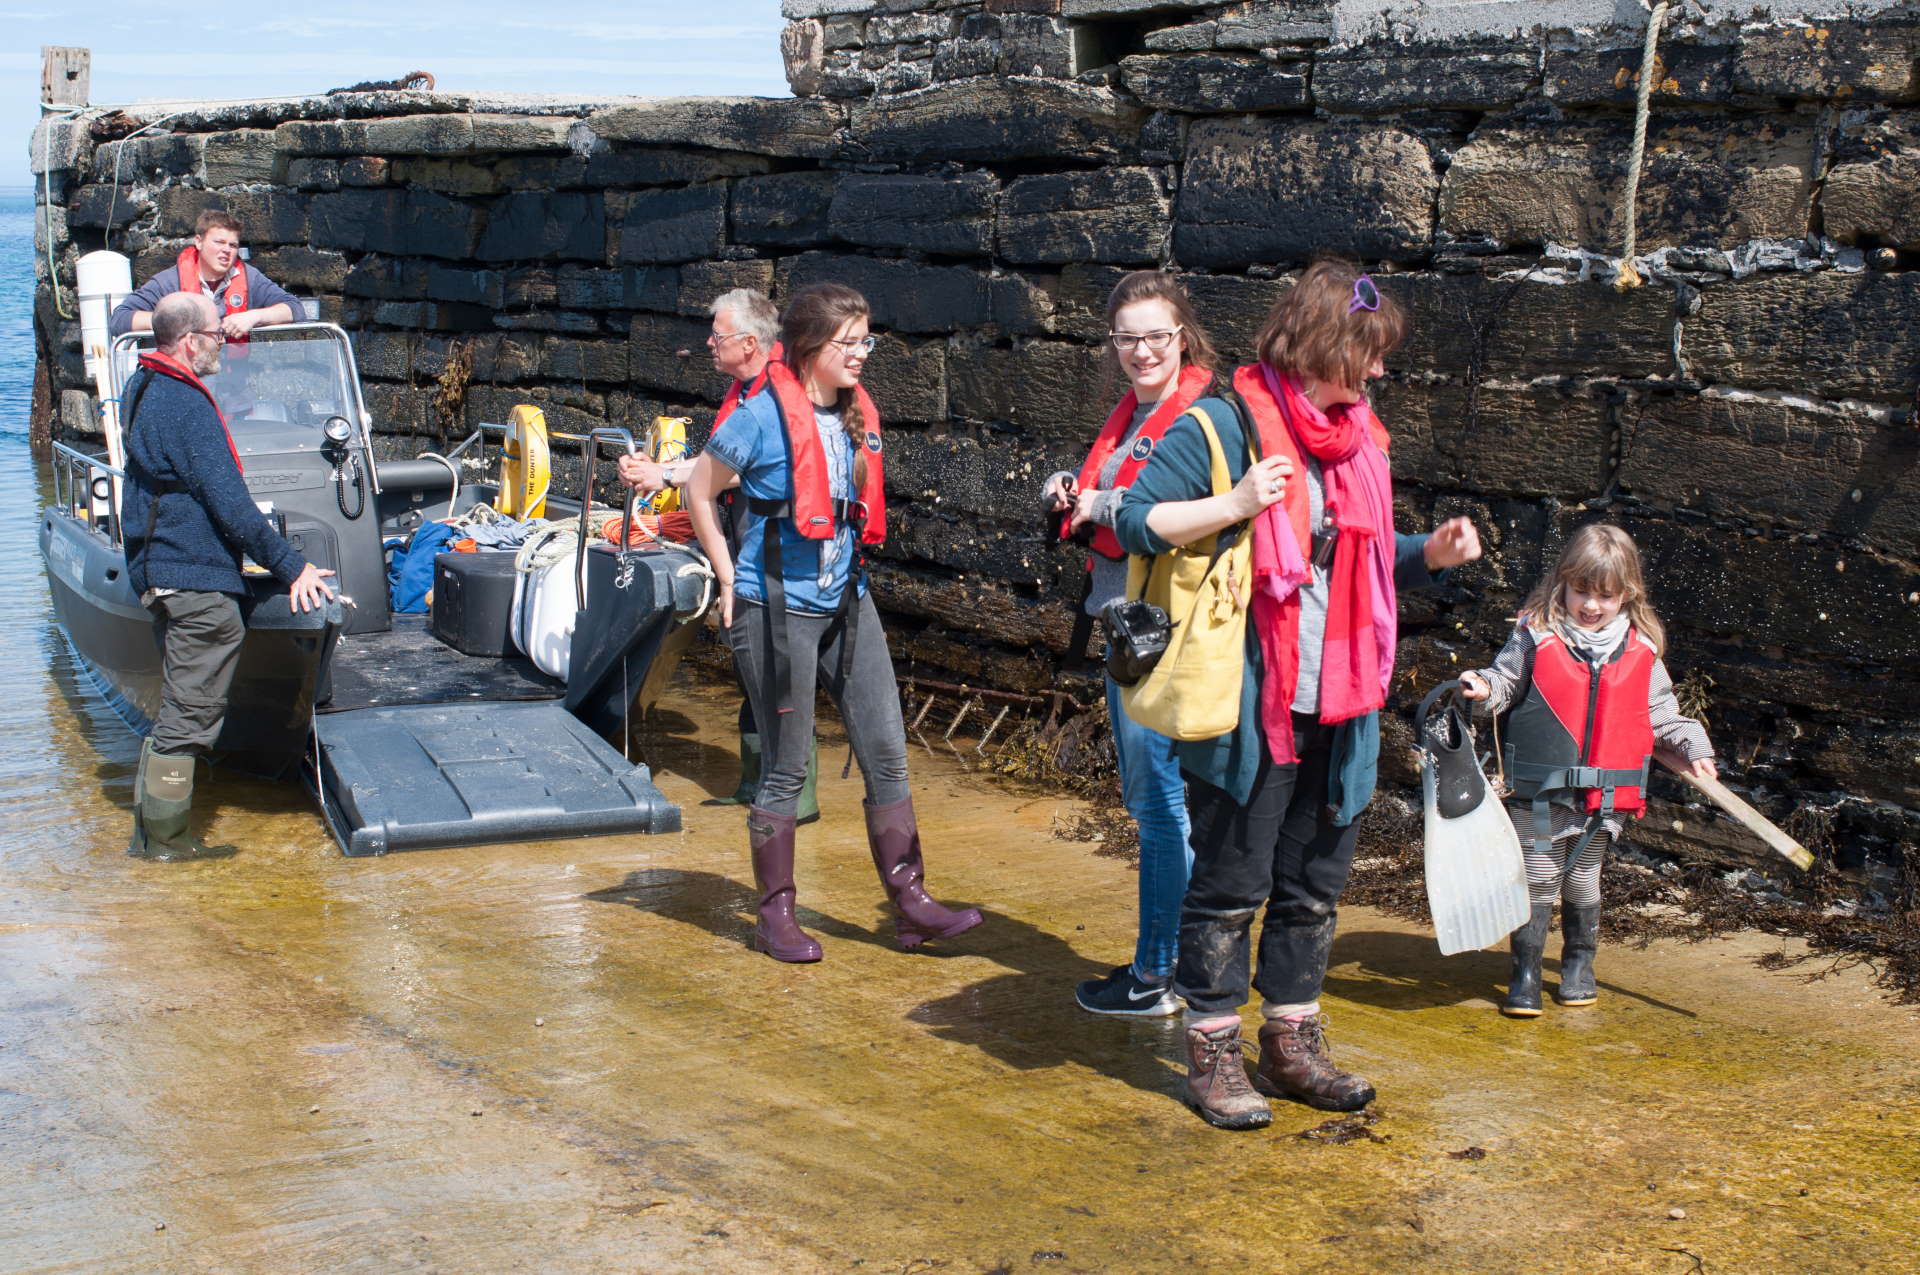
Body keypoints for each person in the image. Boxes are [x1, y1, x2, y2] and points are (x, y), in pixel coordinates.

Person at [1115, 260, 1483, 1130]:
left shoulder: (1359, 439)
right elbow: (1134, 519)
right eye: (1368, 353)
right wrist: (1235, 501)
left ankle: (1290, 1044)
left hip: (1343, 695)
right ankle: (1211, 1051)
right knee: (1231, 883)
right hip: (1252, 699)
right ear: (1321, 345)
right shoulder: (1223, 423)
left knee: (1315, 882)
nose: (1379, 372)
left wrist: (1428, 551)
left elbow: (1355, 550)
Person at [685, 282, 981, 963]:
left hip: (847, 603)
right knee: (787, 768)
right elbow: (699, 490)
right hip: (774, 608)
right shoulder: (759, 417)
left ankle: (911, 905)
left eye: (866, 341)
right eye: (849, 344)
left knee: (886, 751)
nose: (862, 356)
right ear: (812, 348)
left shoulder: (852, 411)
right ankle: (775, 916)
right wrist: (729, 577)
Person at [1042, 271, 1214, 1017]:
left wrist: (1095, 504)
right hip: (1131, 627)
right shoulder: (1140, 413)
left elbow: (1176, 512)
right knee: (1173, 805)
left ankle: (1157, 973)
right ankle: (1176, 962)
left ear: (1182, 336)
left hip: (1158, 636)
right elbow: (1117, 490)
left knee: (1159, 807)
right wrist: (1067, 490)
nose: (1141, 351)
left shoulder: (1193, 418)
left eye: (1156, 336)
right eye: (1127, 338)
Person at [1459, 523, 1716, 1017]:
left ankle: (1578, 963)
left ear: (1627, 594)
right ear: (1563, 584)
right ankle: (1526, 973)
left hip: (1603, 799)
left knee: (1582, 881)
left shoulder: (1642, 652)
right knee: (1537, 878)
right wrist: (1482, 689)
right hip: (1539, 793)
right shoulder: (1534, 637)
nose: (1591, 606)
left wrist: (1693, 746)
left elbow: (1662, 715)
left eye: (1605, 595)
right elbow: (1504, 681)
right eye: (1581, 592)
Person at [119, 292, 336, 860]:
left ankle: (149, 839)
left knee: (175, 707)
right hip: (190, 577)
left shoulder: (142, 386)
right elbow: (233, 507)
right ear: (190, 341)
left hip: (156, 564)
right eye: (217, 335)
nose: (224, 343)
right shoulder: (185, 405)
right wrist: (293, 566)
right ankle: (166, 845)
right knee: (188, 713)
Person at [619, 288, 818, 821]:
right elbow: (720, 465)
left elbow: (729, 472)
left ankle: (791, 799)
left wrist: (664, 475)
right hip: (755, 551)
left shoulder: (774, 398)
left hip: (776, 559)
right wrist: (660, 473)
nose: (708, 342)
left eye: (719, 335)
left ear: (750, 344)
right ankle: (761, 785)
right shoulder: (752, 391)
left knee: (778, 672)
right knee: (757, 672)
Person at [110, 209, 300, 339]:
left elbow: (295, 309)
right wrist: (176, 321)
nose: (227, 250)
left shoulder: (250, 278)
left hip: (235, 381)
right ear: (199, 242)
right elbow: (120, 320)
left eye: (232, 245)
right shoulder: (168, 282)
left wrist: (254, 316)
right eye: (219, 242)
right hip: (185, 379)